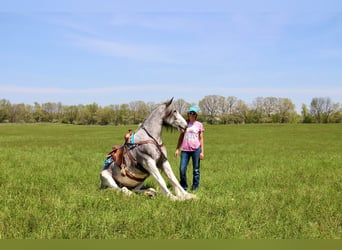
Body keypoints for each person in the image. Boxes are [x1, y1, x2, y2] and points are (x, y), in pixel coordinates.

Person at [174, 106, 204, 191]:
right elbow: (181, 137)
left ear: (196, 115)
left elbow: (201, 138)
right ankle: (184, 186)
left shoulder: (199, 125)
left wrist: (202, 152)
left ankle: (195, 187)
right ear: (188, 114)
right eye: (190, 113)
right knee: (182, 169)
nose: (192, 115)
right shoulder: (185, 124)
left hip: (196, 150)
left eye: (193, 113)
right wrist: (177, 149)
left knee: (196, 170)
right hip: (185, 150)